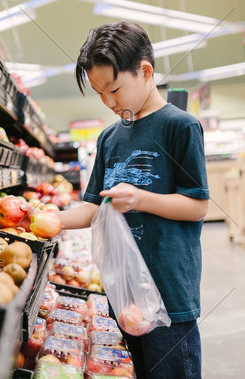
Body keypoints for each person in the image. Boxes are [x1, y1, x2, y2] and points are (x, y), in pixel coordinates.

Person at [61, 22, 210, 379]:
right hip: (124, 290)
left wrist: (140, 198)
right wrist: (48, 218)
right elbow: (95, 207)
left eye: (114, 89)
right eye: (99, 93)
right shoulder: (109, 138)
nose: (109, 102)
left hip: (168, 293)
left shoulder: (180, 127)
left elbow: (197, 206)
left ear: (145, 71)